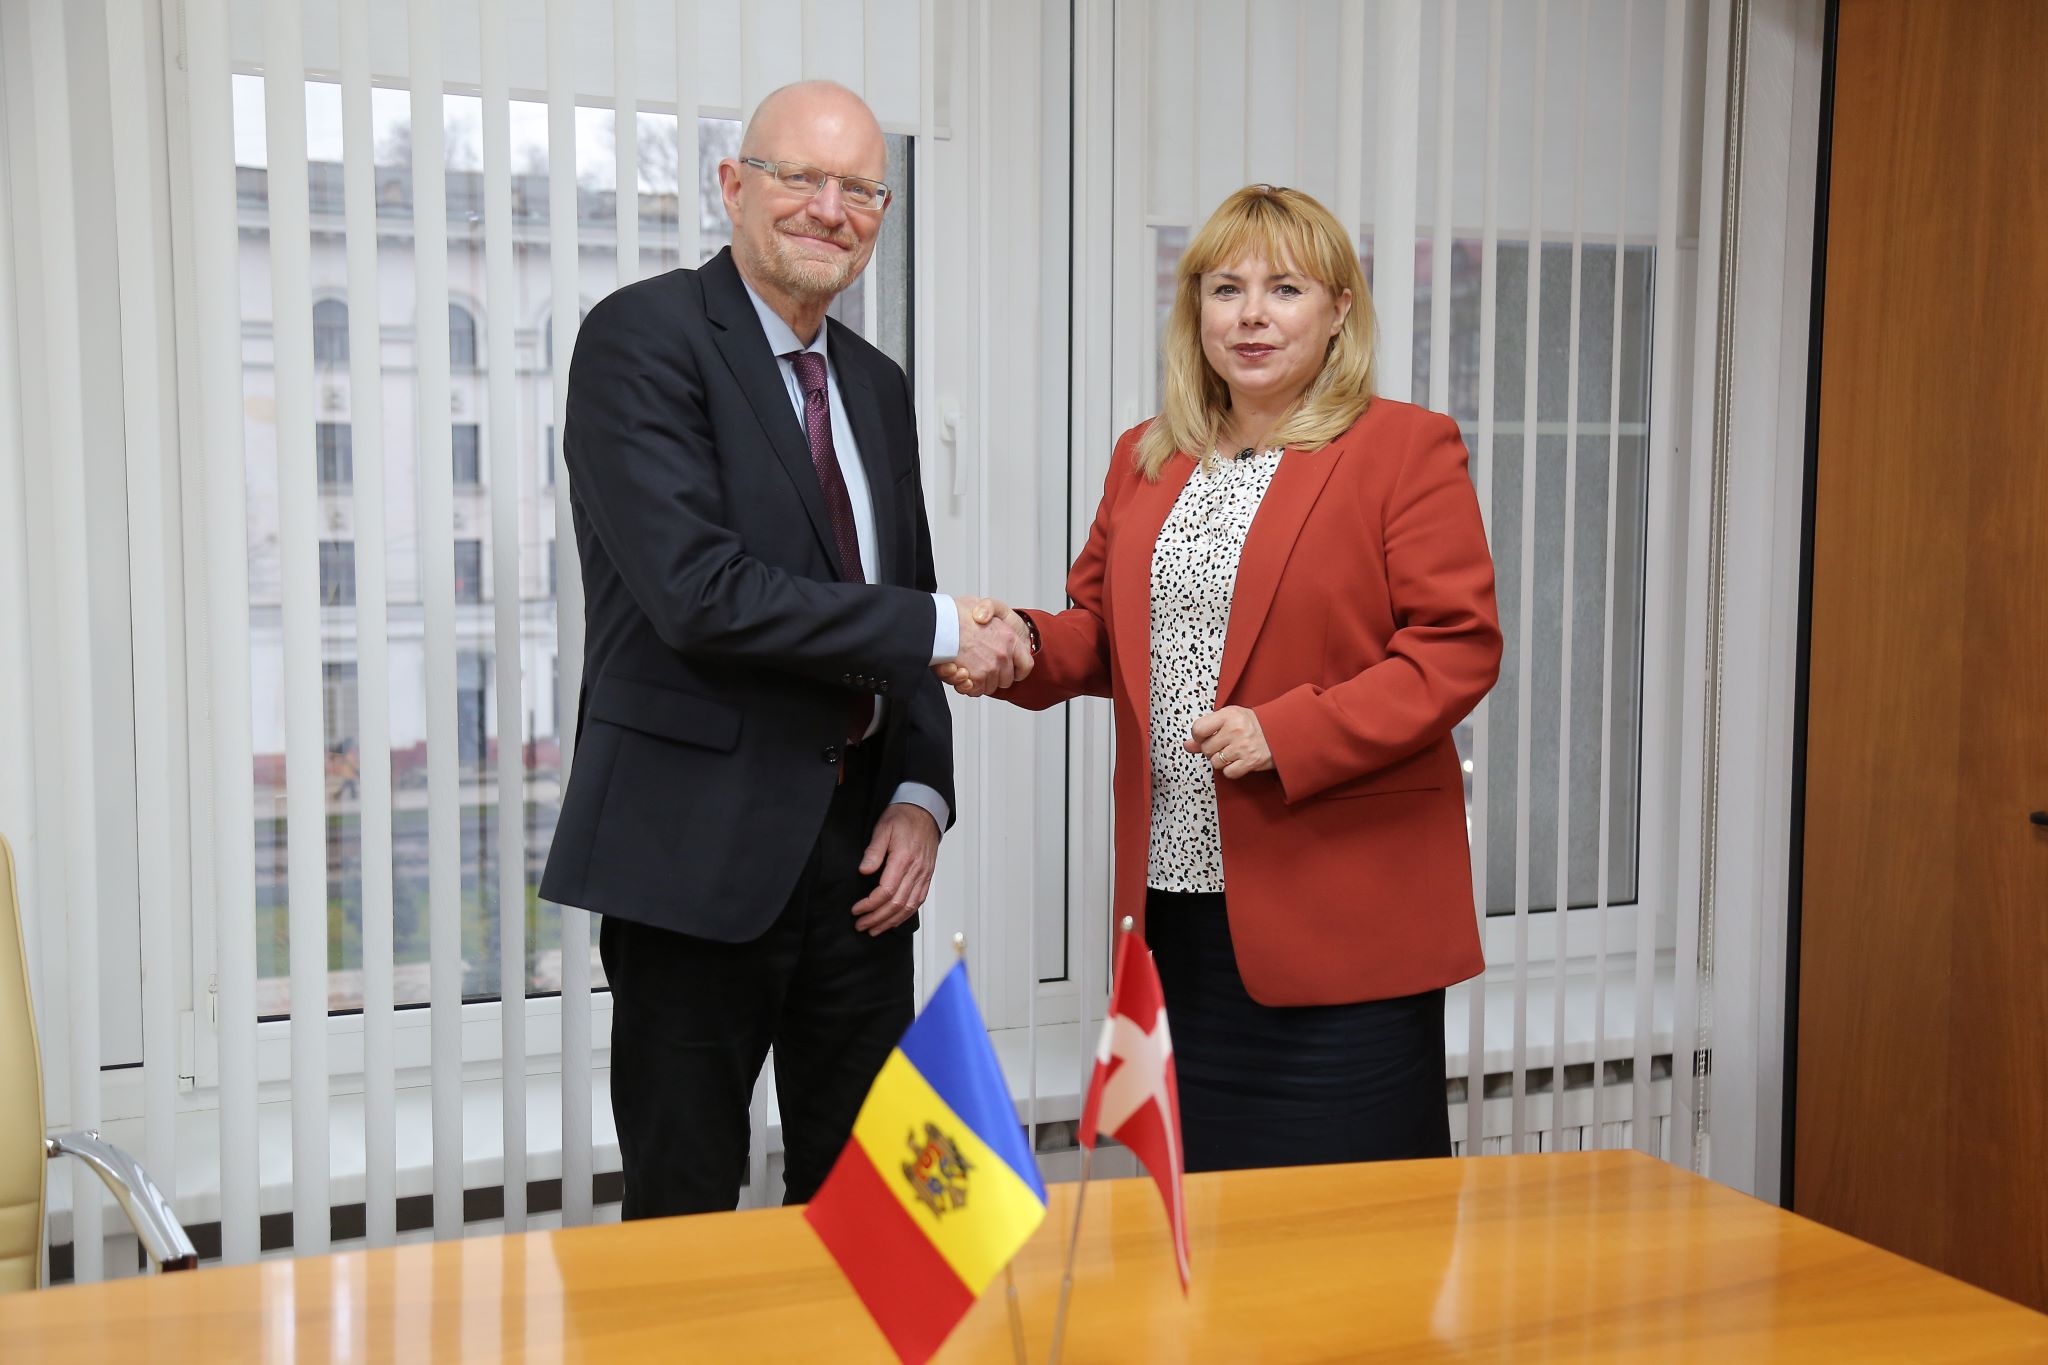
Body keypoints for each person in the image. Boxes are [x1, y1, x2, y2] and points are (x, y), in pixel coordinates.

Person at [538, 80, 1031, 1218]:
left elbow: (899, 595)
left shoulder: (876, 385)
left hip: (860, 868)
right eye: (799, 177)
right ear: (732, 185)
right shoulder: (641, 338)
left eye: (859, 189)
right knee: (685, 1220)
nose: (829, 209)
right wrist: (947, 627)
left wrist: (921, 793)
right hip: (692, 858)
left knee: (877, 1213)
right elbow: (700, 595)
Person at [958, 184, 1501, 1171]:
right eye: (1225, 289)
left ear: (1338, 310)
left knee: (1350, 1230)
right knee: (1205, 1225)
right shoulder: (1146, 457)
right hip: (1180, 916)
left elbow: (1455, 646)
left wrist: (1287, 733)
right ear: (1195, 310)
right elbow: (1105, 636)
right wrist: (1019, 645)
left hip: (1341, 920)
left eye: (1284, 288)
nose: (1251, 315)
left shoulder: (1401, 448)